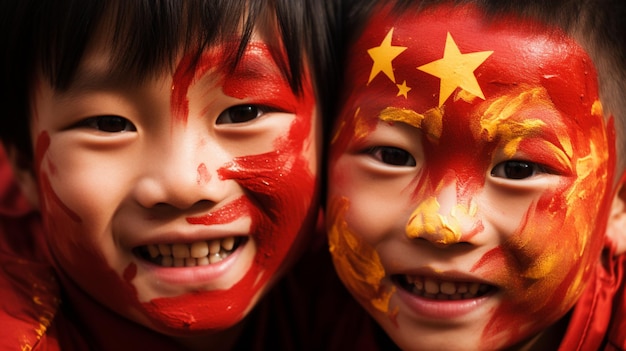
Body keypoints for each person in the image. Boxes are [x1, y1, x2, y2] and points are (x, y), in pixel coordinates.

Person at [0, 0, 340, 349]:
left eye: (243, 113)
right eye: (110, 125)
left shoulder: (360, 285)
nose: (183, 185)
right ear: (24, 166)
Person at [326, 0, 626, 349]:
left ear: (620, 203)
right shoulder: (295, 313)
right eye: (393, 156)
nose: (443, 225)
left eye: (518, 169)